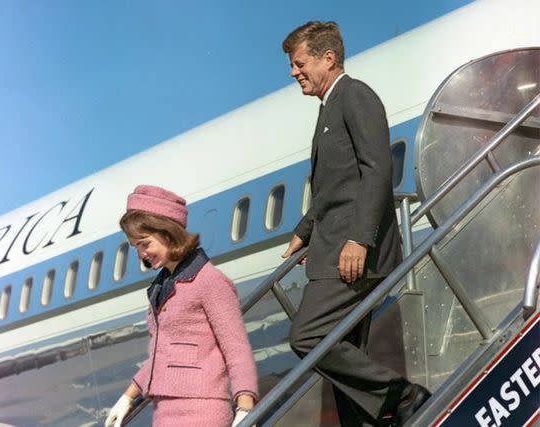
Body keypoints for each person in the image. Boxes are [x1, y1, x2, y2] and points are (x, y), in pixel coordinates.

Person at [280, 22, 430, 426]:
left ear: (328, 59)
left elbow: (378, 170)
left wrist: (360, 239)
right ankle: (380, 415)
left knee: (308, 336)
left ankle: (403, 395)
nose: (294, 73)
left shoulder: (355, 96)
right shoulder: (329, 108)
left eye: (299, 63)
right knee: (345, 367)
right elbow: (334, 188)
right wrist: (304, 230)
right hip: (332, 247)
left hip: (351, 254)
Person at [105, 185, 258, 427]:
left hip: (202, 410)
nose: (141, 254)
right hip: (165, 411)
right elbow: (164, 354)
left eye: (144, 244)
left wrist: (245, 406)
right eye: (136, 247)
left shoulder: (209, 281)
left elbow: (236, 347)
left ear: (167, 233)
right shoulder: (162, 287)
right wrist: (128, 396)